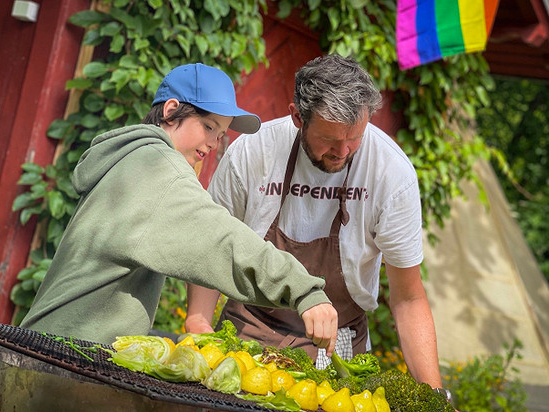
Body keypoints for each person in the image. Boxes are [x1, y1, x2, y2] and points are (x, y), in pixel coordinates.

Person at [20, 62, 338, 354]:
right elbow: (220, 238)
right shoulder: (157, 168)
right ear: (171, 111)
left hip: (50, 342)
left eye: (221, 133)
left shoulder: (131, 160)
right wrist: (302, 290)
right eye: (207, 126)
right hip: (64, 357)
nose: (214, 143)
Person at [185, 55, 444, 390]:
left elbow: (408, 298)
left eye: (355, 138)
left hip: (335, 348)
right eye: (330, 139)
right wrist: (197, 319)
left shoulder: (391, 173)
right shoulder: (254, 151)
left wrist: (435, 394)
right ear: (298, 117)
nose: (343, 151)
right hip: (249, 331)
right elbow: (213, 244)